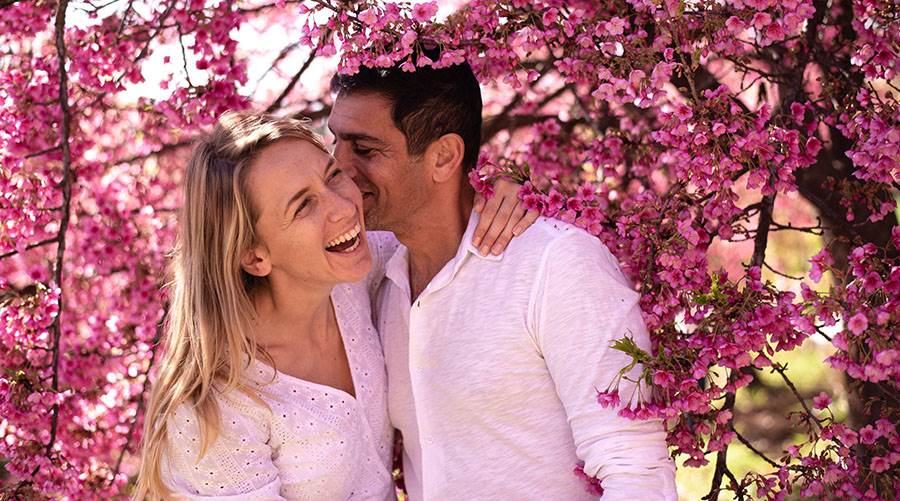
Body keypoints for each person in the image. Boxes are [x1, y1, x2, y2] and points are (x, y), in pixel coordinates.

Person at [329, 55, 677, 500]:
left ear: (443, 157)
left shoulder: (555, 265)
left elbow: (635, 468)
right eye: (335, 142)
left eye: (364, 149)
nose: (337, 166)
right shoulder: (374, 272)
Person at [134, 112, 533, 500]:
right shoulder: (219, 406)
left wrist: (497, 190)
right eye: (303, 206)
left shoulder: (357, 275)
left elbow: (440, 224)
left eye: (332, 176)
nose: (343, 206)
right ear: (254, 257)